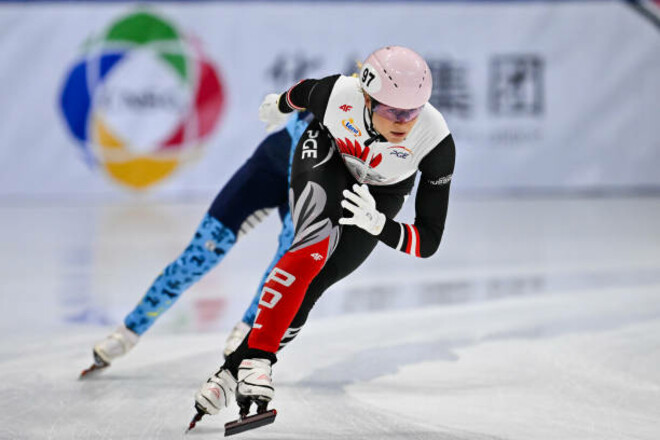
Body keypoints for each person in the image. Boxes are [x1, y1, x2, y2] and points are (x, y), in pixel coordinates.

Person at [192, 46, 456, 419]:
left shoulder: (436, 141)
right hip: (326, 156)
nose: (404, 121)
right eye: (392, 110)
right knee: (313, 244)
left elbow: (428, 241)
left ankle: (231, 371)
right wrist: (278, 107)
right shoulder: (338, 94)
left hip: (381, 193)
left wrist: (379, 224)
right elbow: (301, 92)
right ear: (365, 96)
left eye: (413, 111)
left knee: (313, 286)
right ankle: (260, 362)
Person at [87, 111, 313, 371]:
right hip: (272, 165)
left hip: (309, 184)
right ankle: (127, 332)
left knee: (286, 261)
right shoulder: (338, 91)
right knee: (198, 255)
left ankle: (248, 329)